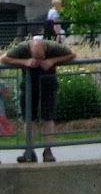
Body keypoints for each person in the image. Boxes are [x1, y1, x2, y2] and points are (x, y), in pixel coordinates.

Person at [4, 33, 75, 161]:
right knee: (28, 117)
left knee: (48, 116)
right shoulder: (22, 48)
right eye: (35, 57)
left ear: (45, 50)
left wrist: (51, 61)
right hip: (29, 83)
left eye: (41, 57)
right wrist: (25, 62)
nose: (38, 60)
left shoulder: (53, 46)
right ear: (30, 50)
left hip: (48, 81)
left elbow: (72, 54)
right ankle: (29, 150)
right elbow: (4, 58)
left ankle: (48, 150)